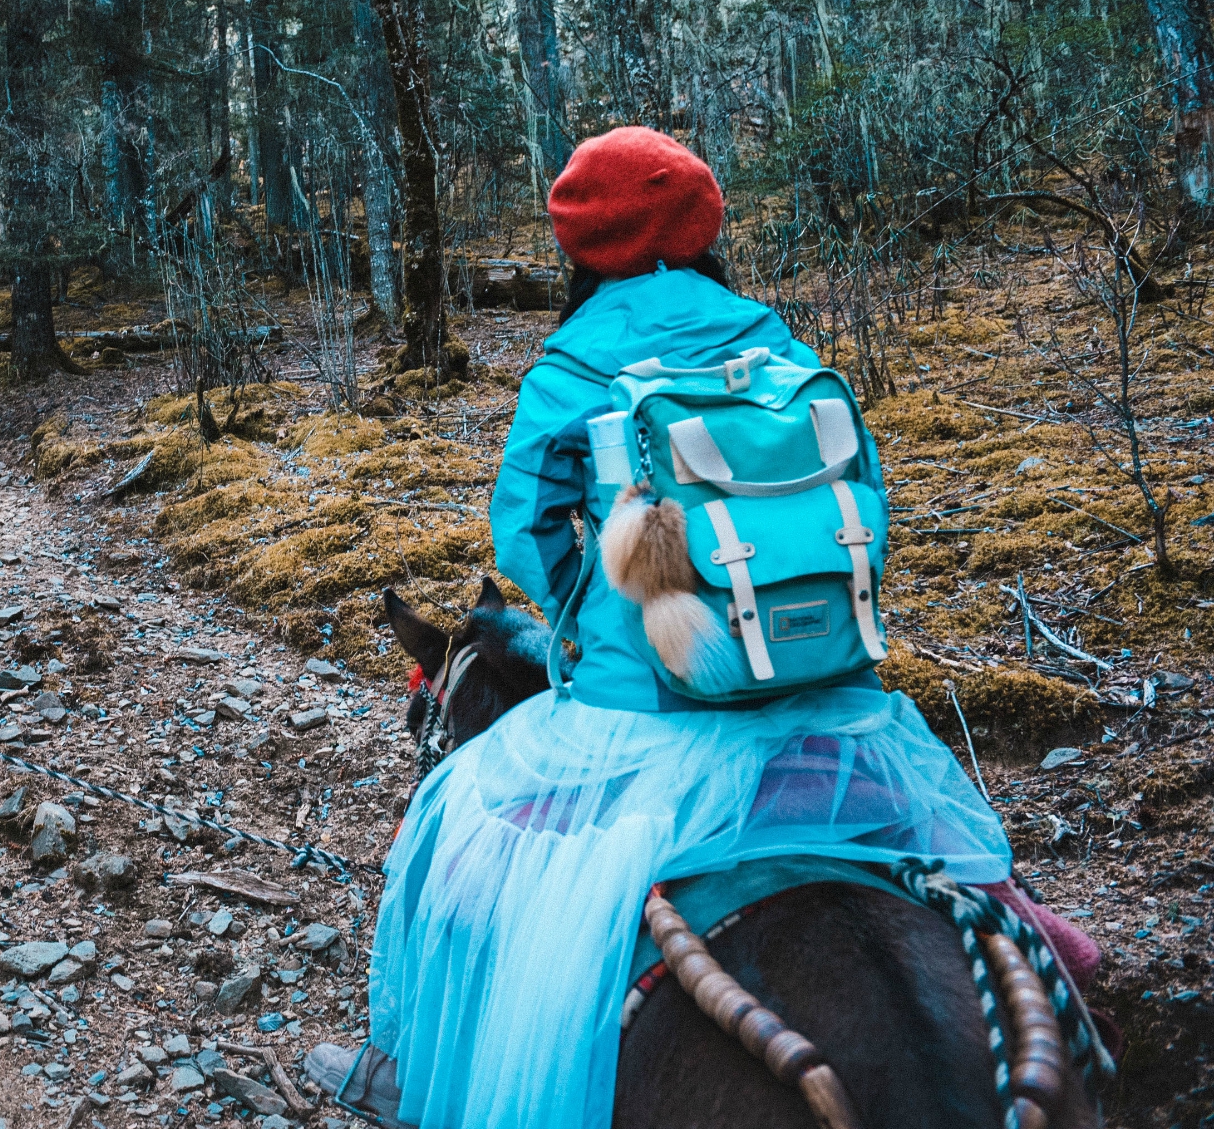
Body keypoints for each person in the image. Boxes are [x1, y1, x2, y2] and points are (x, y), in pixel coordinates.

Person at [310, 128, 1021, 1129]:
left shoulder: (574, 355)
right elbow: (863, 494)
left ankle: (418, 1077)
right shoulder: (772, 335)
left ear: (581, 247)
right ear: (700, 224)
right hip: (819, 688)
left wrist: (586, 621)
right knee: (980, 896)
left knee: (454, 840)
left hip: (643, 710)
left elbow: (519, 532)